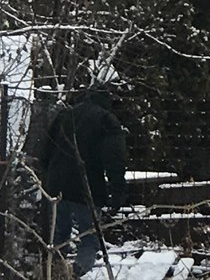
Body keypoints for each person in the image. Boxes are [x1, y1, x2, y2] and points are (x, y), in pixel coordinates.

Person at [41, 86, 127, 277]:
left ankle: (54, 271)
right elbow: (115, 159)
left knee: (59, 234)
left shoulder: (65, 114)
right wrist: (117, 190)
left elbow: (45, 150)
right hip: (87, 186)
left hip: (57, 184)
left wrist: (51, 176)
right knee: (89, 236)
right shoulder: (106, 120)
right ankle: (76, 274)